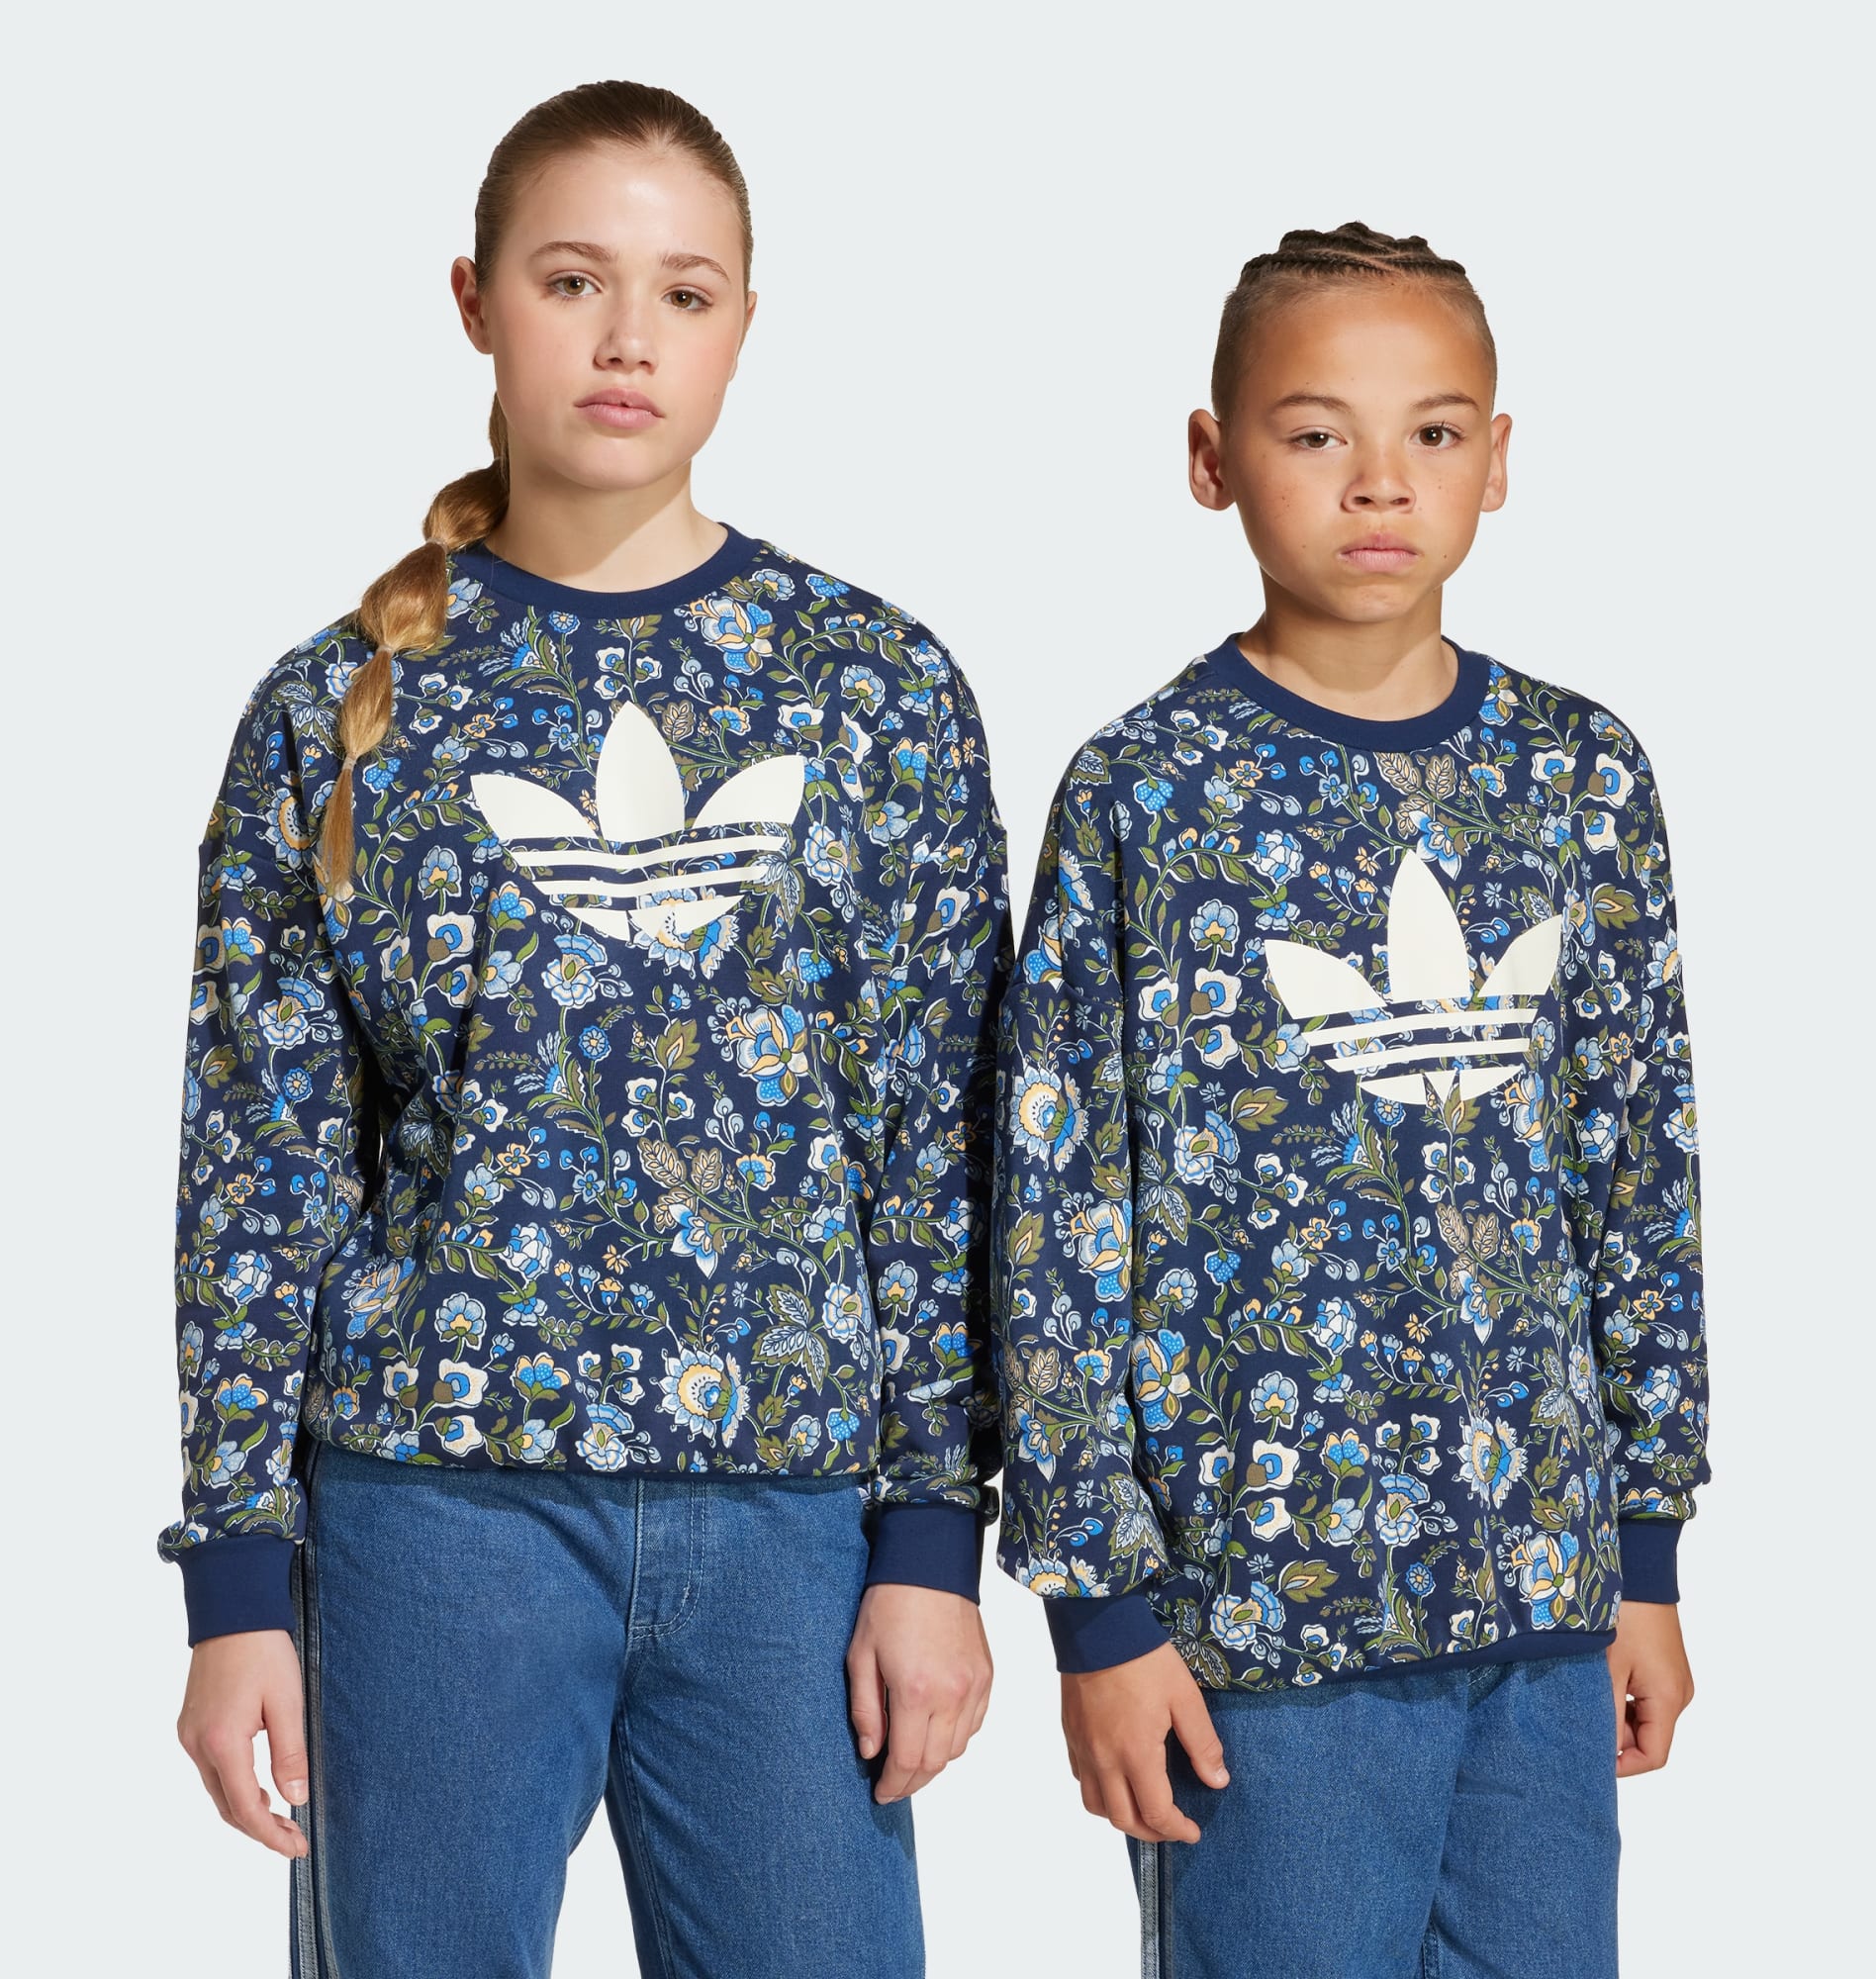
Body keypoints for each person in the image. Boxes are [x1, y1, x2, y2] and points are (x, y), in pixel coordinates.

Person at [160, 79, 1010, 1979]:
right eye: (573, 281)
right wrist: (234, 1582)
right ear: (476, 302)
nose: (630, 338)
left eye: (685, 294)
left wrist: (930, 1545)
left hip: (793, 1522)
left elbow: (943, 1153)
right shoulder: (334, 709)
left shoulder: (876, 689)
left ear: (744, 326)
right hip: (434, 1516)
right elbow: (260, 1169)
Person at [991, 223, 1710, 1978]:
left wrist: (1647, 1556)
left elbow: (1638, 1173)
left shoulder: (1582, 775)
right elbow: (1056, 1215)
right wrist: (1101, 1609)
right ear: (1212, 457)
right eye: (1317, 433)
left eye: (1434, 432)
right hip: (1258, 1626)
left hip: (1540, 1607)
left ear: (1498, 458)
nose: (1380, 481)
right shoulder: (1147, 793)